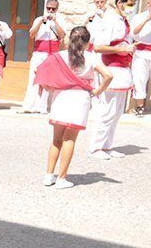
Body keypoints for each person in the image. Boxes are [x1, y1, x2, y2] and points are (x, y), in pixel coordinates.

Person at [34, 26, 113, 189]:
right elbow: (108, 75)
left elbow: (38, 70)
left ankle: (49, 176)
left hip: (60, 97)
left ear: (70, 39)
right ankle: (62, 178)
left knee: (56, 139)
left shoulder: (59, 56)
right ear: (87, 42)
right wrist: (98, 91)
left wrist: (49, 88)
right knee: (69, 139)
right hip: (79, 99)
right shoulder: (91, 58)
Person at [90, 0, 138, 160]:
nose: (132, 8)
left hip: (122, 68)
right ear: (120, 3)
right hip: (111, 68)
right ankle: (96, 147)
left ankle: (107, 146)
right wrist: (122, 49)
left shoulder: (123, 21)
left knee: (117, 112)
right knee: (107, 110)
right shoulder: (110, 20)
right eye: (130, 4)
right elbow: (98, 46)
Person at [20, 0, 68, 114]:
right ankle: (29, 106)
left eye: (53, 8)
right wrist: (41, 22)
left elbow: (62, 35)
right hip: (39, 52)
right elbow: (32, 34)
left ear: (57, 9)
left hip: (52, 53)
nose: (51, 10)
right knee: (33, 78)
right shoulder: (38, 19)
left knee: (47, 79)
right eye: (48, 8)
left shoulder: (60, 19)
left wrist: (55, 22)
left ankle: (42, 107)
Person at [128, 1, 151, 117]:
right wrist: (147, 19)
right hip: (142, 52)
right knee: (139, 79)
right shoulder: (139, 17)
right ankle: (140, 106)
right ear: (148, 4)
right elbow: (133, 33)